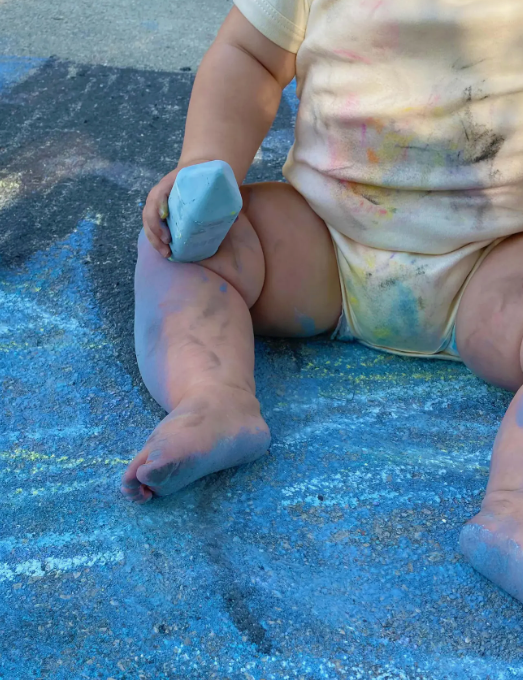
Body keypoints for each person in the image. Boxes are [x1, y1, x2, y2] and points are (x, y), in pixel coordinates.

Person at [122, 0, 523, 602]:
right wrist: (204, 166)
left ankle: (513, 507)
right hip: (323, 242)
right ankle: (213, 395)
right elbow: (251, 56)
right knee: (181, 241)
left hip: (495, 262)